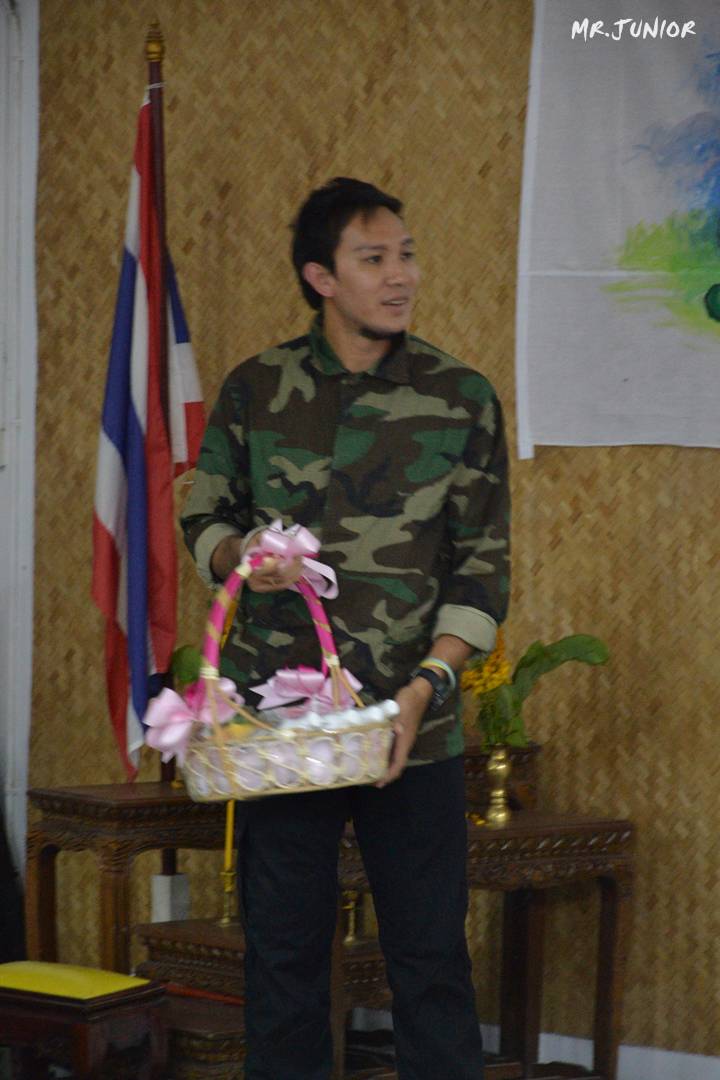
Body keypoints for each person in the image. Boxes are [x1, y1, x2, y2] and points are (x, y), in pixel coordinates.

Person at [180, 177, 510, 1080]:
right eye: (374, 259)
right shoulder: (256, 390)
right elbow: (205, 517)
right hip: (282, 734)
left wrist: (427, 686)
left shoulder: (461, 398)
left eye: (406, 255)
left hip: (414, 724)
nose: (401, 276)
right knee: (283, 957)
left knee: (432, 958)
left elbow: (482, 573)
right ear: (321, 277)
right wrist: (241, 554)